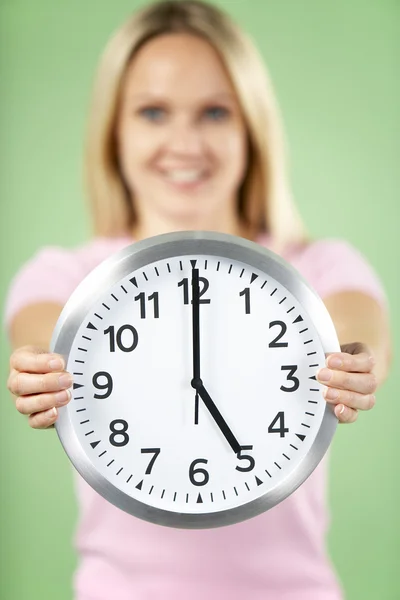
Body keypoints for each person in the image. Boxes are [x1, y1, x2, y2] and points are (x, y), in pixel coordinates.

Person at [4, 1, 391, 599]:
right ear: (115, 129)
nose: (184, 141)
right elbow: (42, 330)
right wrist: (40, 364)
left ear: (252, 128)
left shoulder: (318, 265)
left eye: (214, 112)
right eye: (153, 111)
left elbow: (356, 325)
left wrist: (356, 360)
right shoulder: (64, 275)